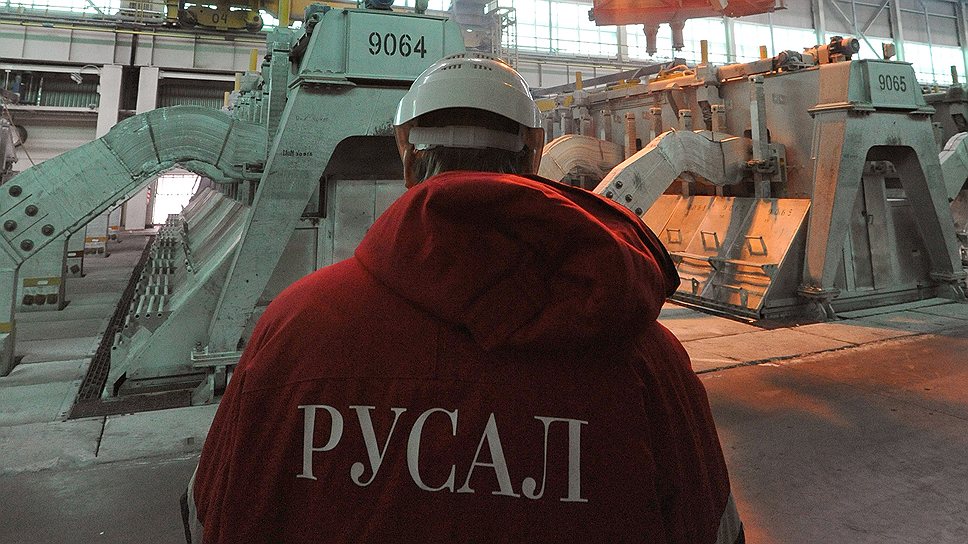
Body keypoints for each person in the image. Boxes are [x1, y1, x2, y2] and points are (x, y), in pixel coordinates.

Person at [183, 53, 743, 543]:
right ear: (533, 153)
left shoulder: (292, 329)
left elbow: (216, 514)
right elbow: (710, 527)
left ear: (406, 156)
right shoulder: (646, 359)